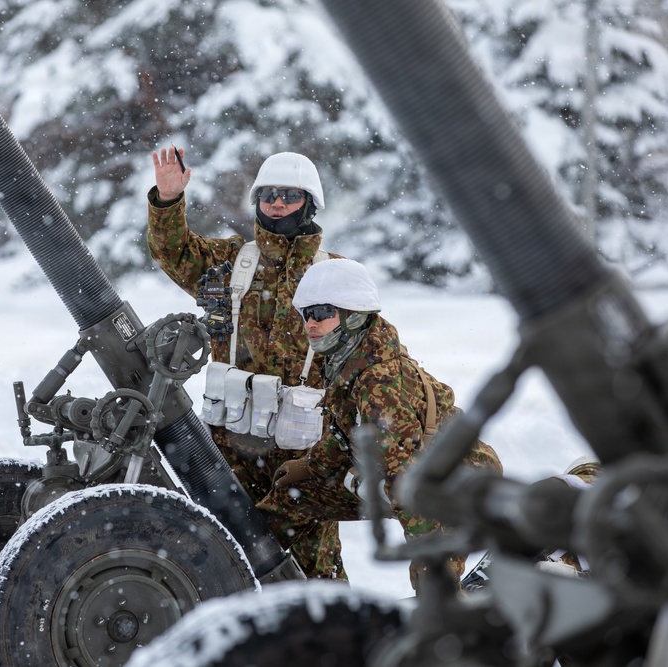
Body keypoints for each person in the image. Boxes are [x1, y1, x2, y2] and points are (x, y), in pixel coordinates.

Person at [147, 147, 345, 579]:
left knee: (314, 566)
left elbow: (368, 354)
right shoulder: (232, 262)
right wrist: (168, 201)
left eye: (289, 196)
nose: (276, 203)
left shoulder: (336, 275)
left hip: (302, 452)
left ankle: (336, 640)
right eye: (268, 194)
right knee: (221, 556)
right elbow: (174, 252)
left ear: (309, 203)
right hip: (231, 445)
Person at [255, 258, 504, 593]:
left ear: (354, 315)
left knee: (435, 585)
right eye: (306, 314)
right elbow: (344, 429)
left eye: (323, 312)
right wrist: (310, 467)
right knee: (290, 501)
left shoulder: (380, 384)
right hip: (405, 474)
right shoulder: (348, 357)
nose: (311, 324)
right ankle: (324, 598)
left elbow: (405, 480)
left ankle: (455, 628)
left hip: (453, 481)